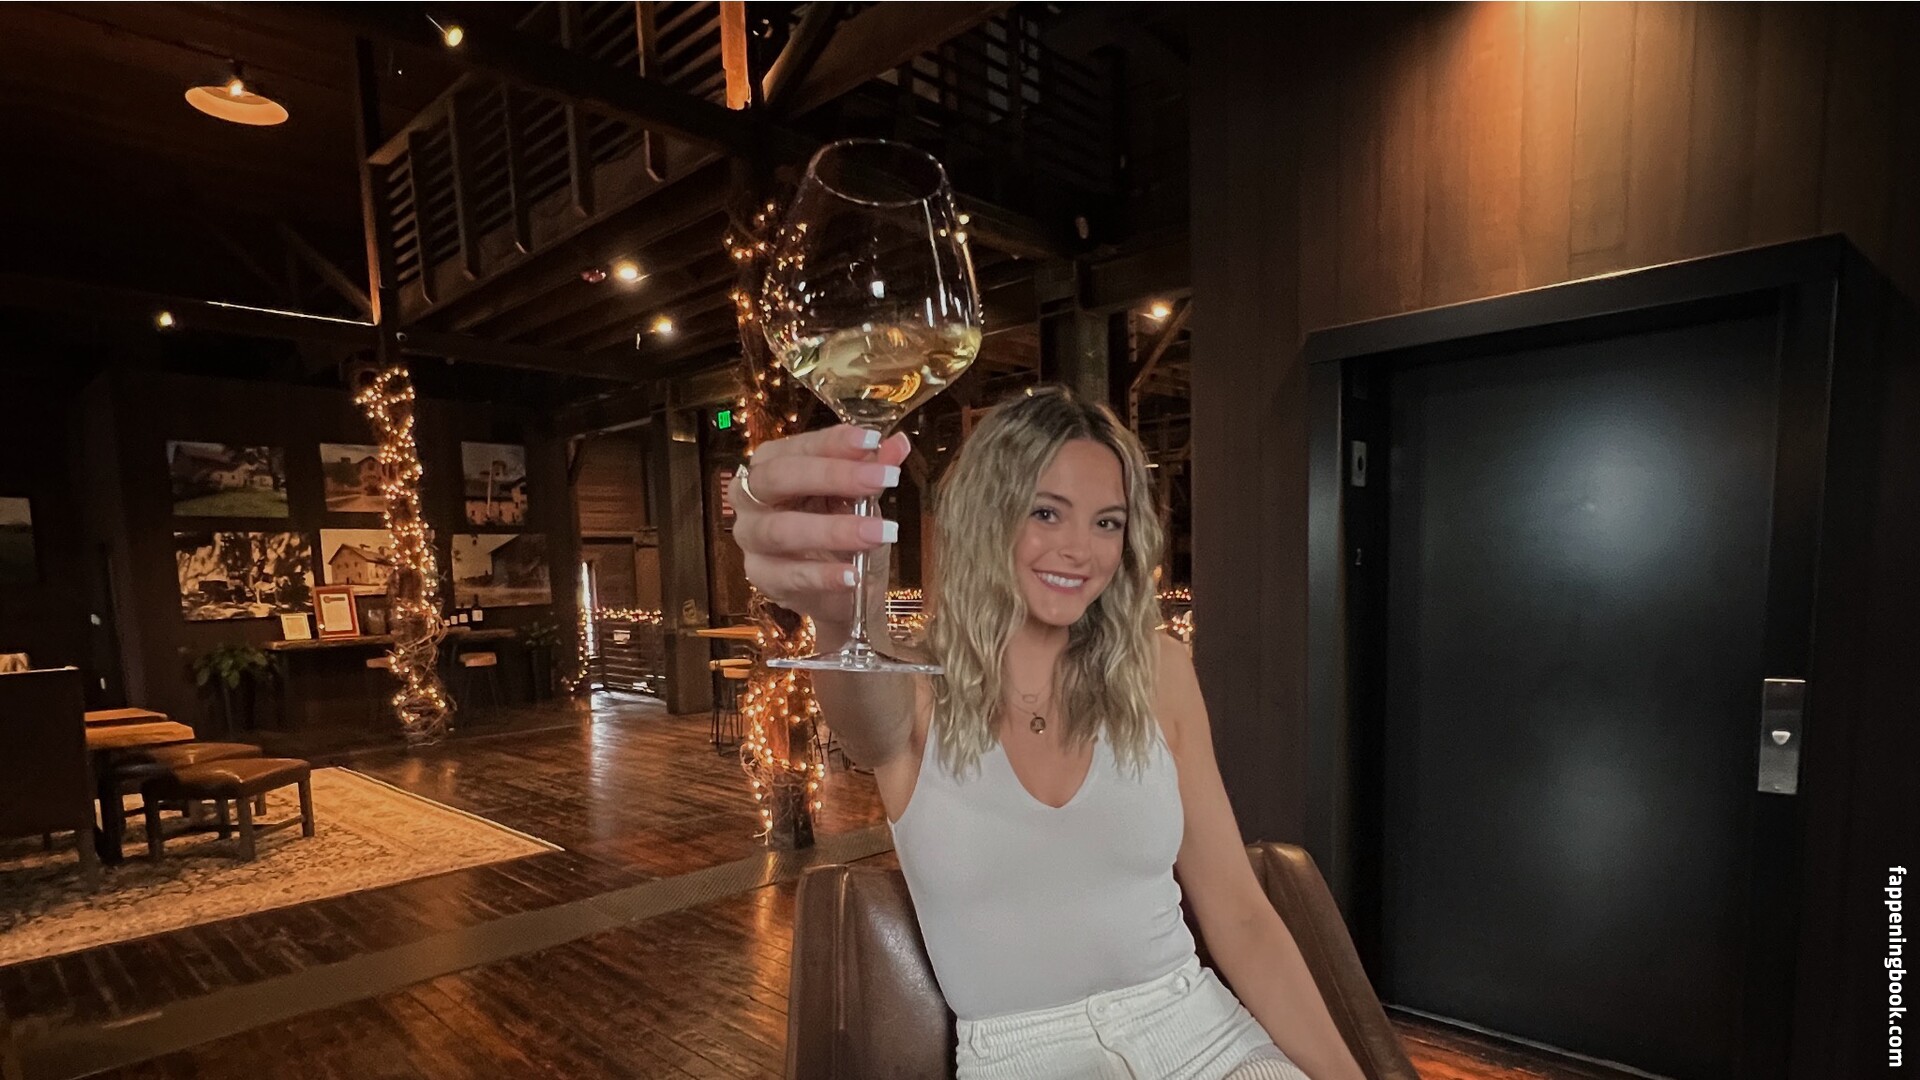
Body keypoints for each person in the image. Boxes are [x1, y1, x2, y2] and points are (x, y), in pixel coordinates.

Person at [730, 386, 1366, 1080]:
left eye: (1106, 522)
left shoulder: (1158, 670)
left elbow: (1240, 915)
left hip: (1198, 1030)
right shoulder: (914, 687)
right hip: (1023, 1056)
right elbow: (861, 716)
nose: (1080, 550)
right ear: (987, 515)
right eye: (1045, 512)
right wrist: (840, 618)